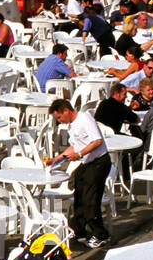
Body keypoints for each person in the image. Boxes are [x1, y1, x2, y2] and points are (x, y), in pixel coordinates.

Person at [47, 99, 112, 248]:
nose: (59, 121)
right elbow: (74, 146)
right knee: (79, 192)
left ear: (66, 111)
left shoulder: (84, 119)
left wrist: (80, 154)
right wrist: (57, 159)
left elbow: (97, 141)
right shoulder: (71, 126)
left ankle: (101, 234)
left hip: (99, 162)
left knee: (90, 198)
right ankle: (79, 229)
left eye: (59, 117)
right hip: (87, 162)